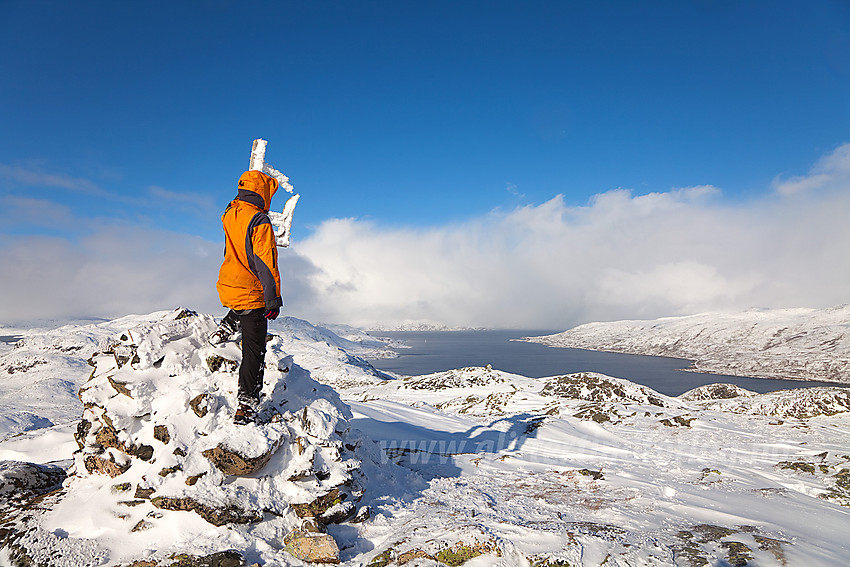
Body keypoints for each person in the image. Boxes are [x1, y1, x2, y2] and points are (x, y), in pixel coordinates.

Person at [211, 170, 283, 425]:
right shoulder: (259, 220)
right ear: (263, 193)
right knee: (254, 351)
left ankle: (225, 326)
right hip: (250, 290)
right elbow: (265, 261)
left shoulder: (230, 213)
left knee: (241, 305)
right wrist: (272, 298)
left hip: (229, 282)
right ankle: (246, 404)